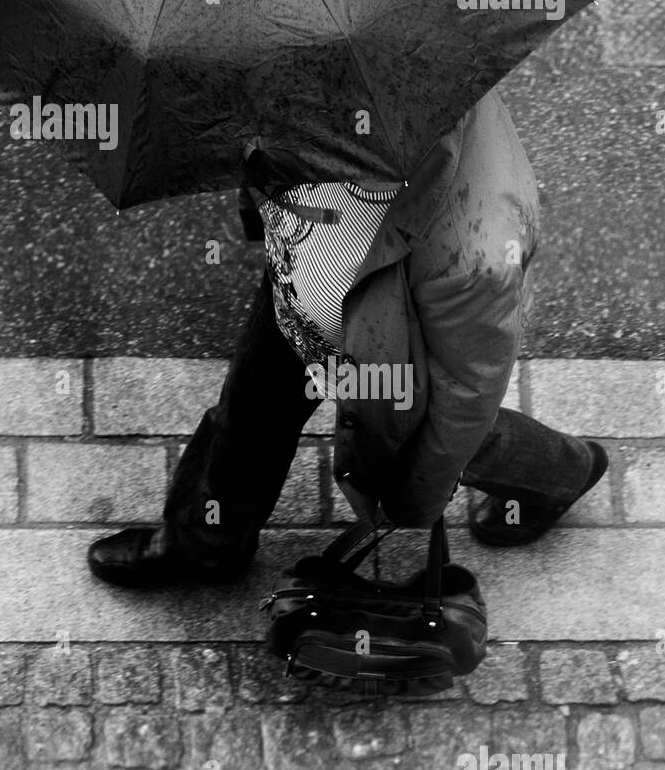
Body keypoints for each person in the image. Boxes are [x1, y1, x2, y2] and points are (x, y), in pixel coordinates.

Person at [87, 87, 608, 588]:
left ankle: (560, 472)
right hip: (298, 289)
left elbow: (467, 394)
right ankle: (205, 544)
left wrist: (410, 503)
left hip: (389, 356)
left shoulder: (474, 246)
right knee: (246, 416)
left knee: (436, 439)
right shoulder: (300, 86)